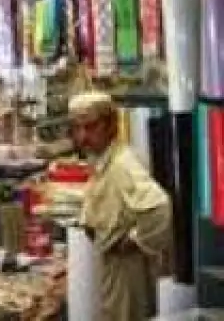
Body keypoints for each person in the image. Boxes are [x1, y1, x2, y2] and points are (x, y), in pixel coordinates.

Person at [70, 91, 172, 320]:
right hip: (113, 263)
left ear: (110, 125)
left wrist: (135, 240)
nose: (83, 136)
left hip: (126, 269)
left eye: (91, 127)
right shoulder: (104, 159)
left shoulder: (122, 164)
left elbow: (160, 207)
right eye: (78, 128)